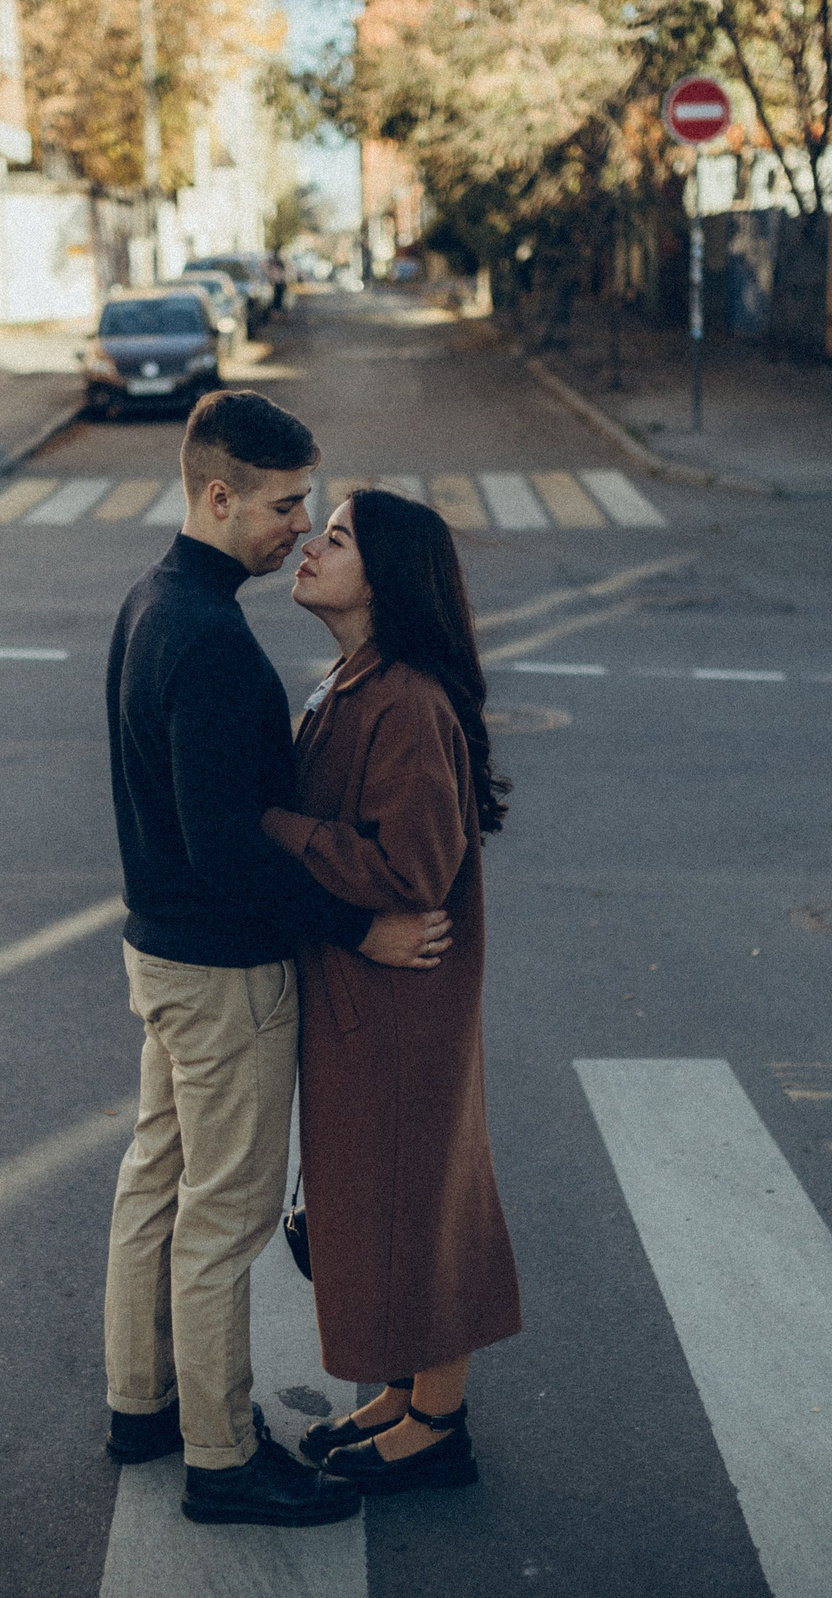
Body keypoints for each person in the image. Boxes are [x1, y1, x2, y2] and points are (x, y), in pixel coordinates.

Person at [102, 390, 453, 1528]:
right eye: (284, 503)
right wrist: (360, 930)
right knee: (225, 1217)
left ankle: (141, 1406)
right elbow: (227, 852)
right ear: (217, 496)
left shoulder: (151, 602)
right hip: (220, 973)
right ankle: (220, 1456)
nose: (299, 527)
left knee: (155, 1185)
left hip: (158, 955)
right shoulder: (209, 643)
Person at [261, 488, 523, 1496]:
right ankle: (407, 1399)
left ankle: (438, 1426)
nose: (310, 547)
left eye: (335, 539)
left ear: (389, 578)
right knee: (380, 1204)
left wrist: (274, 828)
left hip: (403, 1010)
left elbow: (413, 872)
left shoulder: (407, 701)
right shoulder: (357, 682)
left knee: (418, 1207)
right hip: (367, 1002)